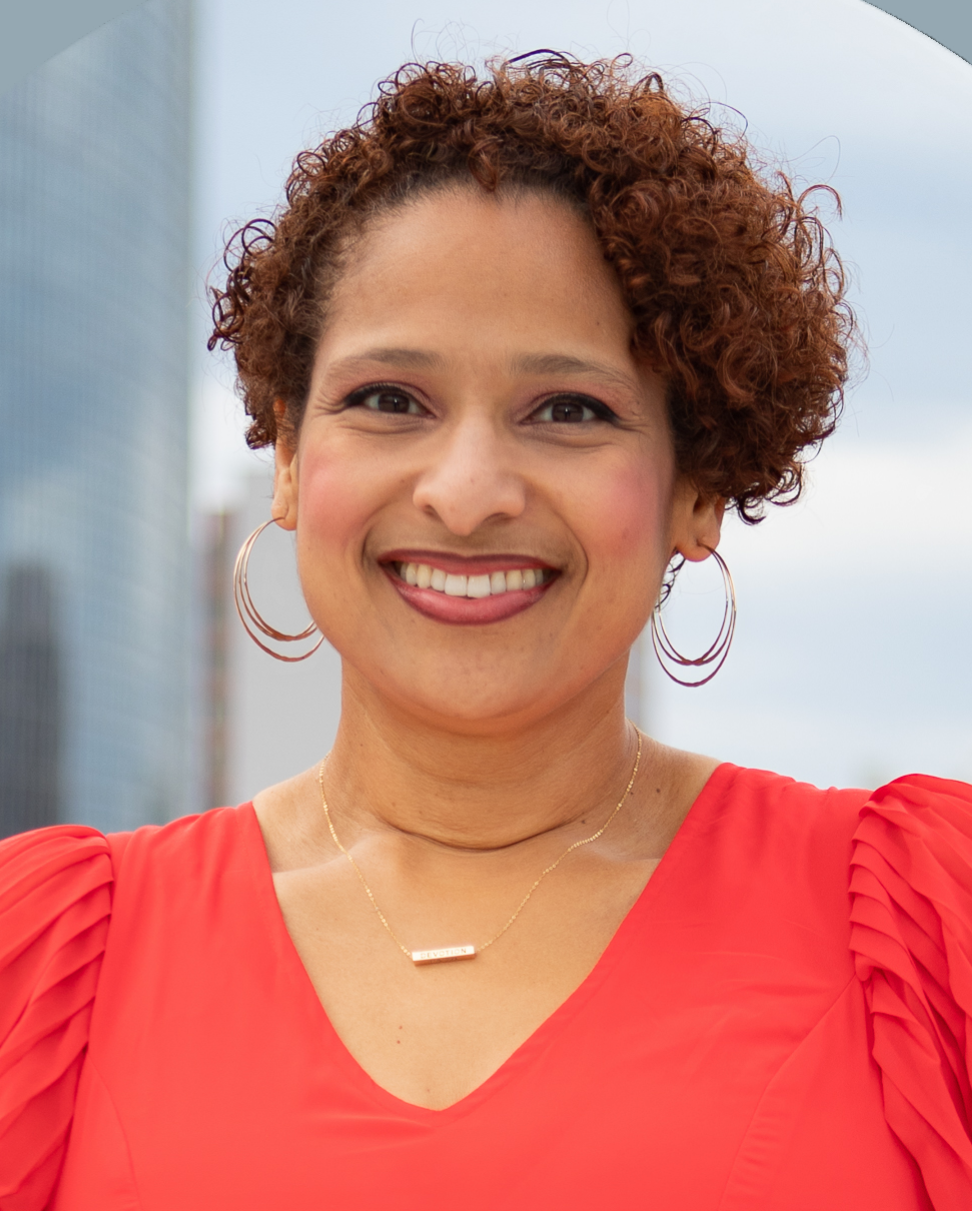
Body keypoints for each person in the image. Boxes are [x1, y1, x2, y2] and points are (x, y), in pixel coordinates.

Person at [1, 53, 970, 1211]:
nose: (466, 492)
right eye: (388, 399)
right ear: (292, 458)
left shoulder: (925, 933)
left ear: (698, 487)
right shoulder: (43, 962)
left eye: (569, 409)